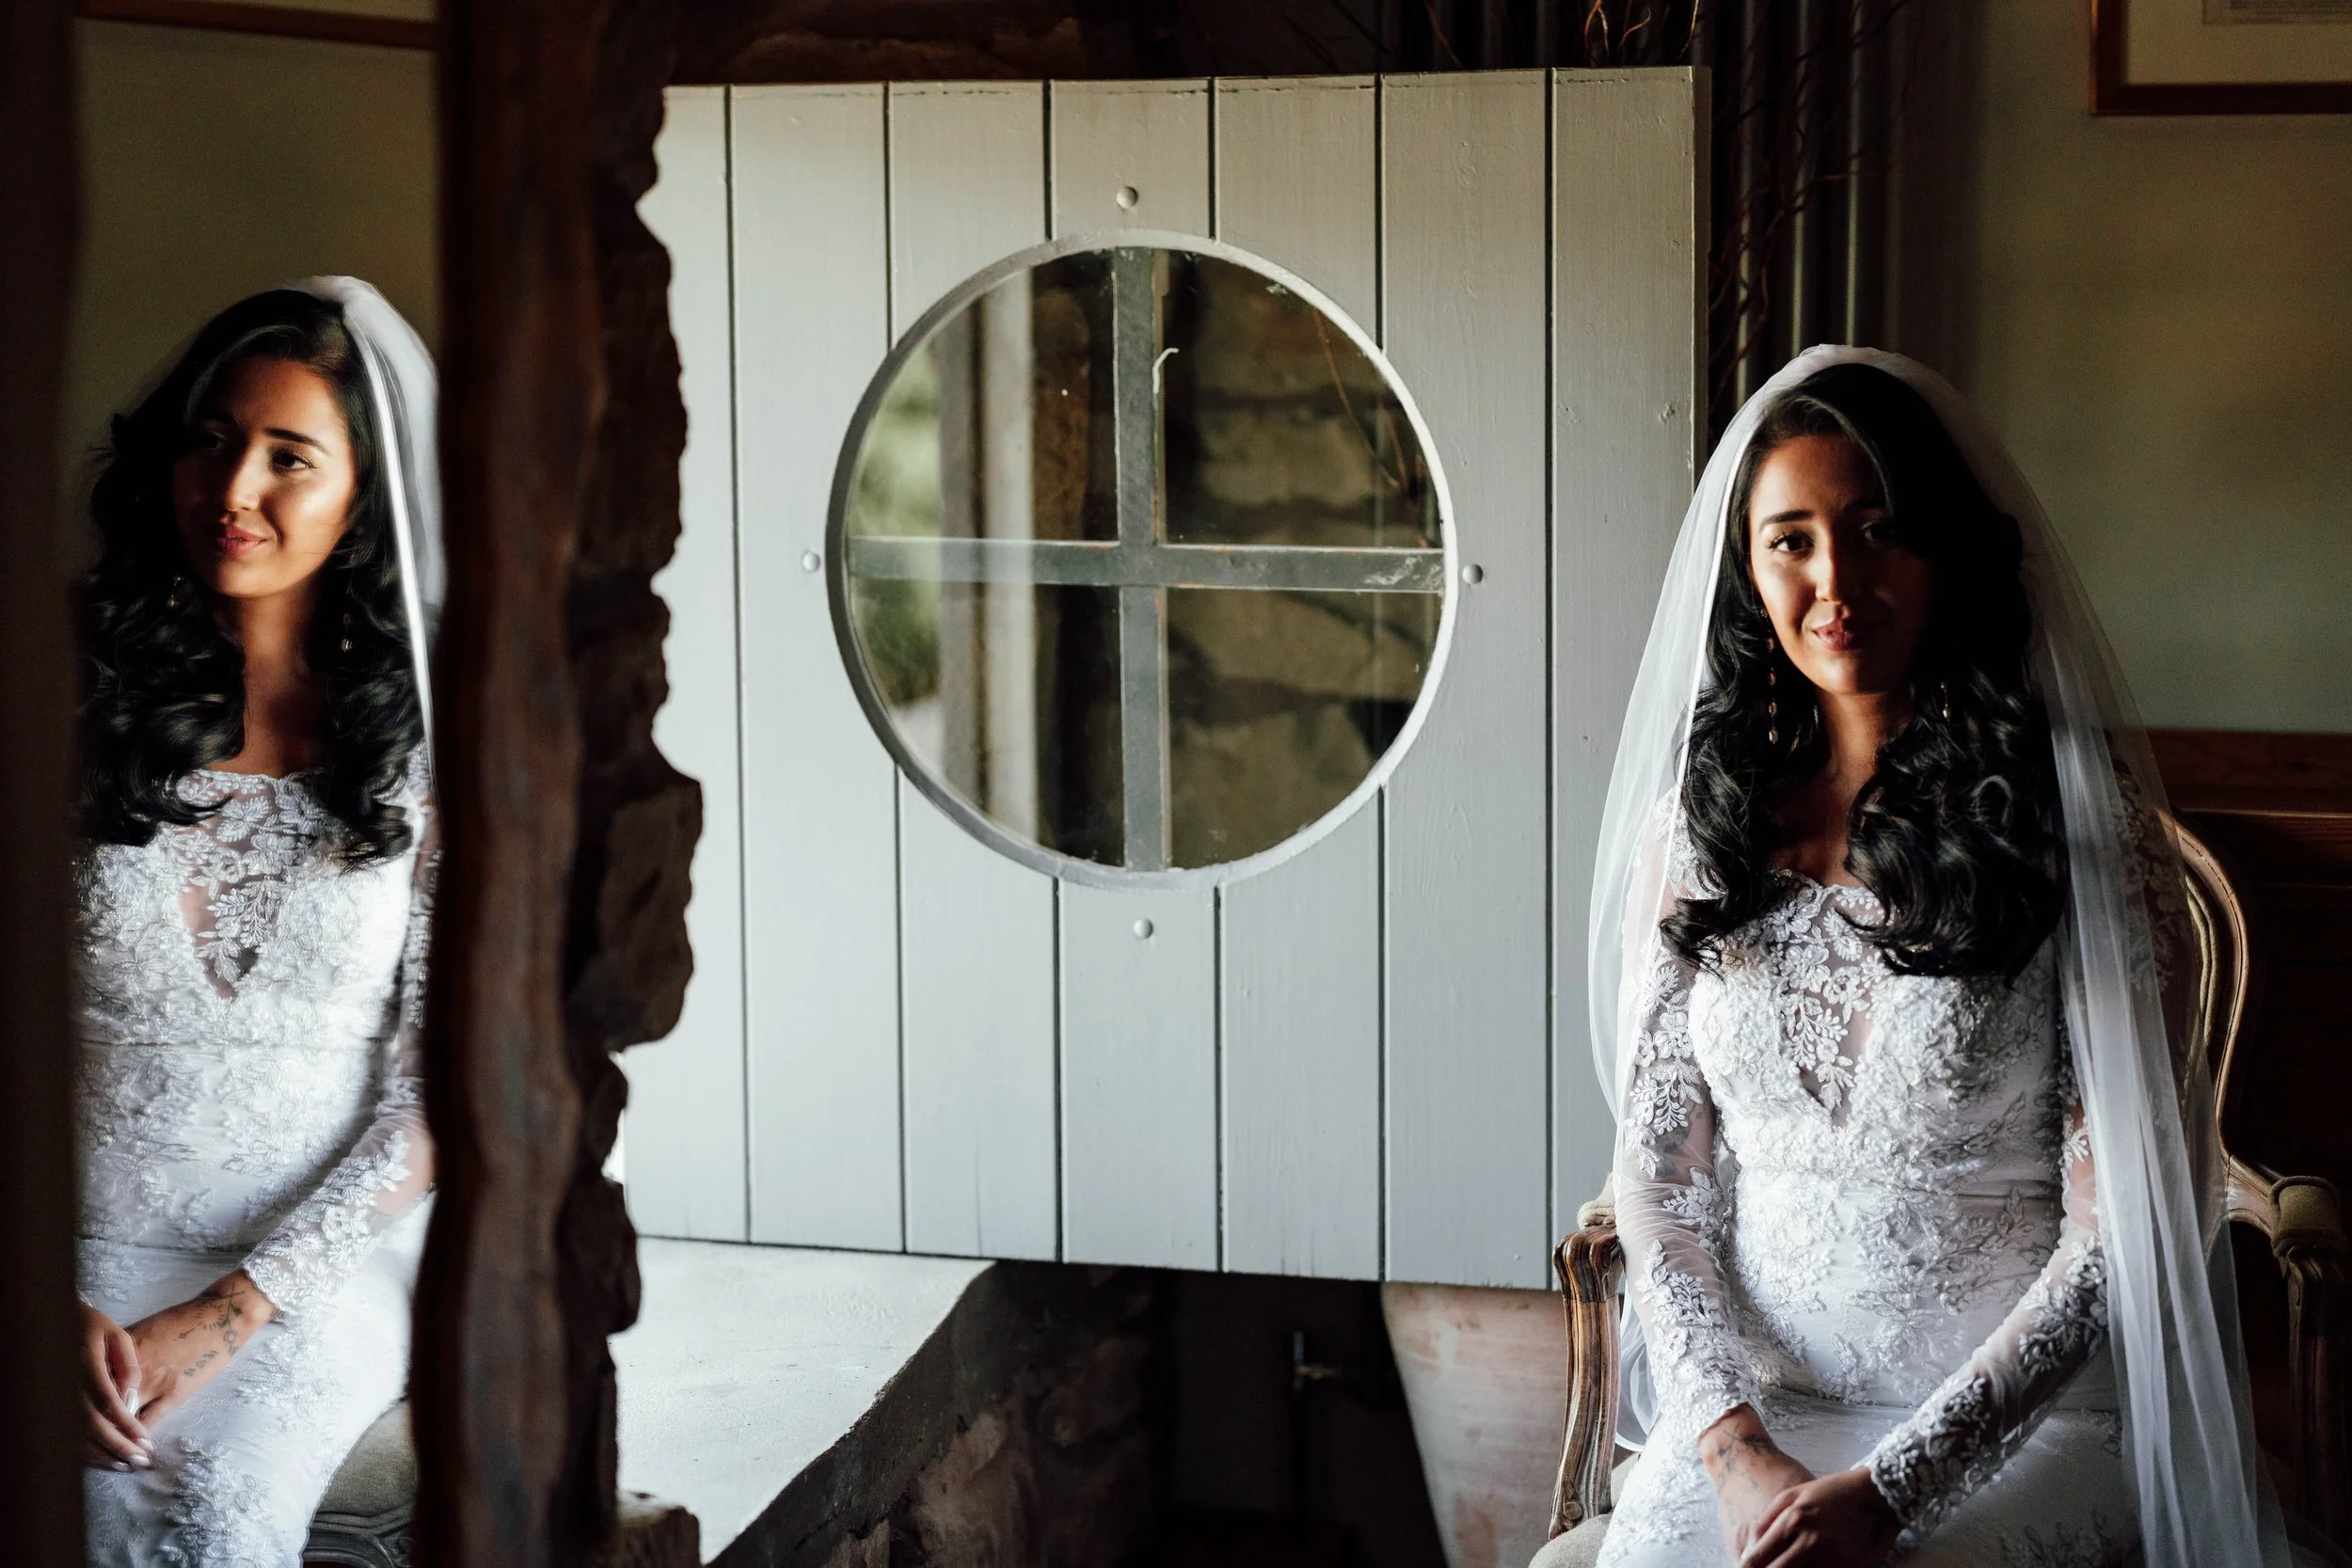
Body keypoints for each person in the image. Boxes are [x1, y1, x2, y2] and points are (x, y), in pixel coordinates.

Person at [1584, 350, 2284, 1567]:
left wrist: (1896, 1484)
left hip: (2025, 1425)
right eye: (1790, 539)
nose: (1834, 578)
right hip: (1764, 1415)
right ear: (1749, 573)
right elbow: (1658, 1185)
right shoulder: (1705, 832)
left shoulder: (2075, 825)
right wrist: (1736, 1450)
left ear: (1945, 552)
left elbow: (2117, 1229)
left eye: (1876, 529)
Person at [72, 279, 443, 1567]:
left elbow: (435, 1092)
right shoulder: (63, 704)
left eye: (291, 456)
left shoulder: (424, 752)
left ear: (362, 501)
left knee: (213, 1527)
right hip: (70, 1256)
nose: (233, 487)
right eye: (214, 438)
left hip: (309, 1275)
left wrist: (233, 1311)